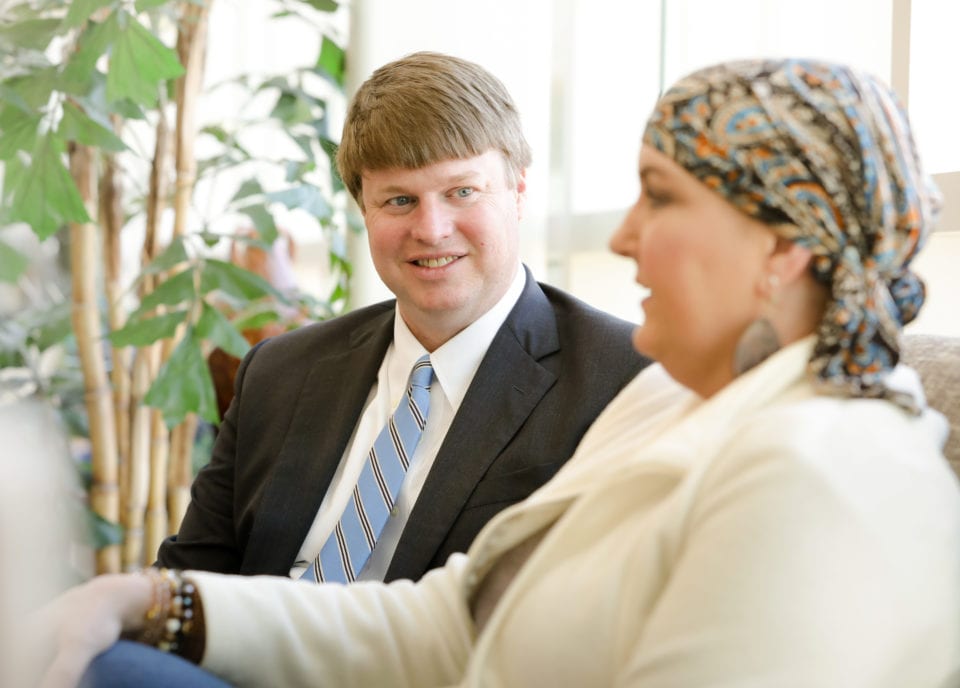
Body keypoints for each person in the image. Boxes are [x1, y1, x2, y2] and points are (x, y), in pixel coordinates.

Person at [43, 57, 960, 688]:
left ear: (784, 247)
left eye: (662, 197)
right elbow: (452, 621)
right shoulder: (670, 402)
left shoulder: (812, 473)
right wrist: (153, 601)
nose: (620, 236)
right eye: (398, 201)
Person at [156, 51, 647, 582]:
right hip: (240, 658)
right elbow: (189, 577)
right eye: (398, 201)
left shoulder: (621, 379)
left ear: (518, 191)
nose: (431, 229)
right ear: (363, 209)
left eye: (462, 191)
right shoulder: (278, 373)